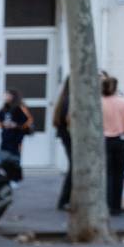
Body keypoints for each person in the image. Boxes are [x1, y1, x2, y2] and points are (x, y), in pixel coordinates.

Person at [101, 76, 124, 215]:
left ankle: (107, 204)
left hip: (104, 139)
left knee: (108, 173)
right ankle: (116, 206)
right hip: (121, 140)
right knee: (119, 173)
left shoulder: (99, 102)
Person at [0, 89, 33, 182]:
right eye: (5, 95)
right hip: (5, 137)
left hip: (17, 137)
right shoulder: (3, 109)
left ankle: (16, 178)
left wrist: (16, 125)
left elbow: (29, 121)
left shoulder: (21, 107)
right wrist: (3, 125)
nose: (6, 97)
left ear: (13, 96)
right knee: (4, 157)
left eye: (8, 95)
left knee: (15, 157)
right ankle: (5, 177)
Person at [52, 79, 71, 210]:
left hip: (66, 136)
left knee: (74, 168)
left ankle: (65, 200)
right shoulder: (69, 100)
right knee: (74, 168)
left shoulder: (64, 99)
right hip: (69, 137)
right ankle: (64, 200)